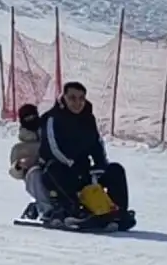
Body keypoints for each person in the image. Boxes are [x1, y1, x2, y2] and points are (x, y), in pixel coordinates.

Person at [12, 82, 132, 225]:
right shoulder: (52, 119)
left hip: (82, 168)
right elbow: (53, 148)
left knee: (115, 170)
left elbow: (96, 143)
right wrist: (72, 164)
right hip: (60, 169)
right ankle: (73, 211)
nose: (78, 103)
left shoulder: (88, 118)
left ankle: (118, 212)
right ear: (64, 98)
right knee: (53, 169)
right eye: (72, 98)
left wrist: (100, 164)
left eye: (81, 98)